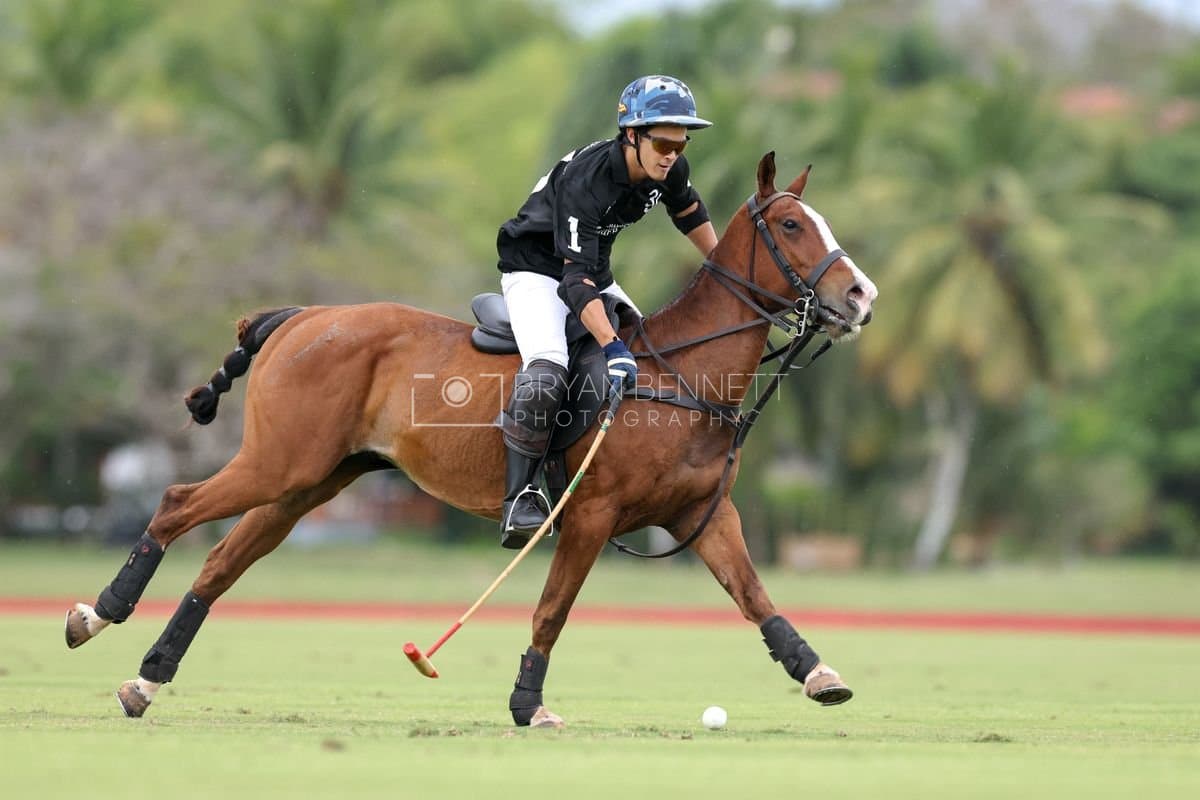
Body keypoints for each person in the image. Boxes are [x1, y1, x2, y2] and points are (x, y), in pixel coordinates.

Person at [493, 74, 719, 549]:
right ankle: (521, 497)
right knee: (548, 371)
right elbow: (573, 281)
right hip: (537, 271)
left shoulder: (668, 167)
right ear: (631, 135)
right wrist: (611, 344)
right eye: (661, 142)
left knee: (655, 358)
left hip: (591, 271)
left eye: (680, 144)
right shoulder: (587, 178)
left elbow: (689, 211)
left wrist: (722, 270)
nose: (672, 154)